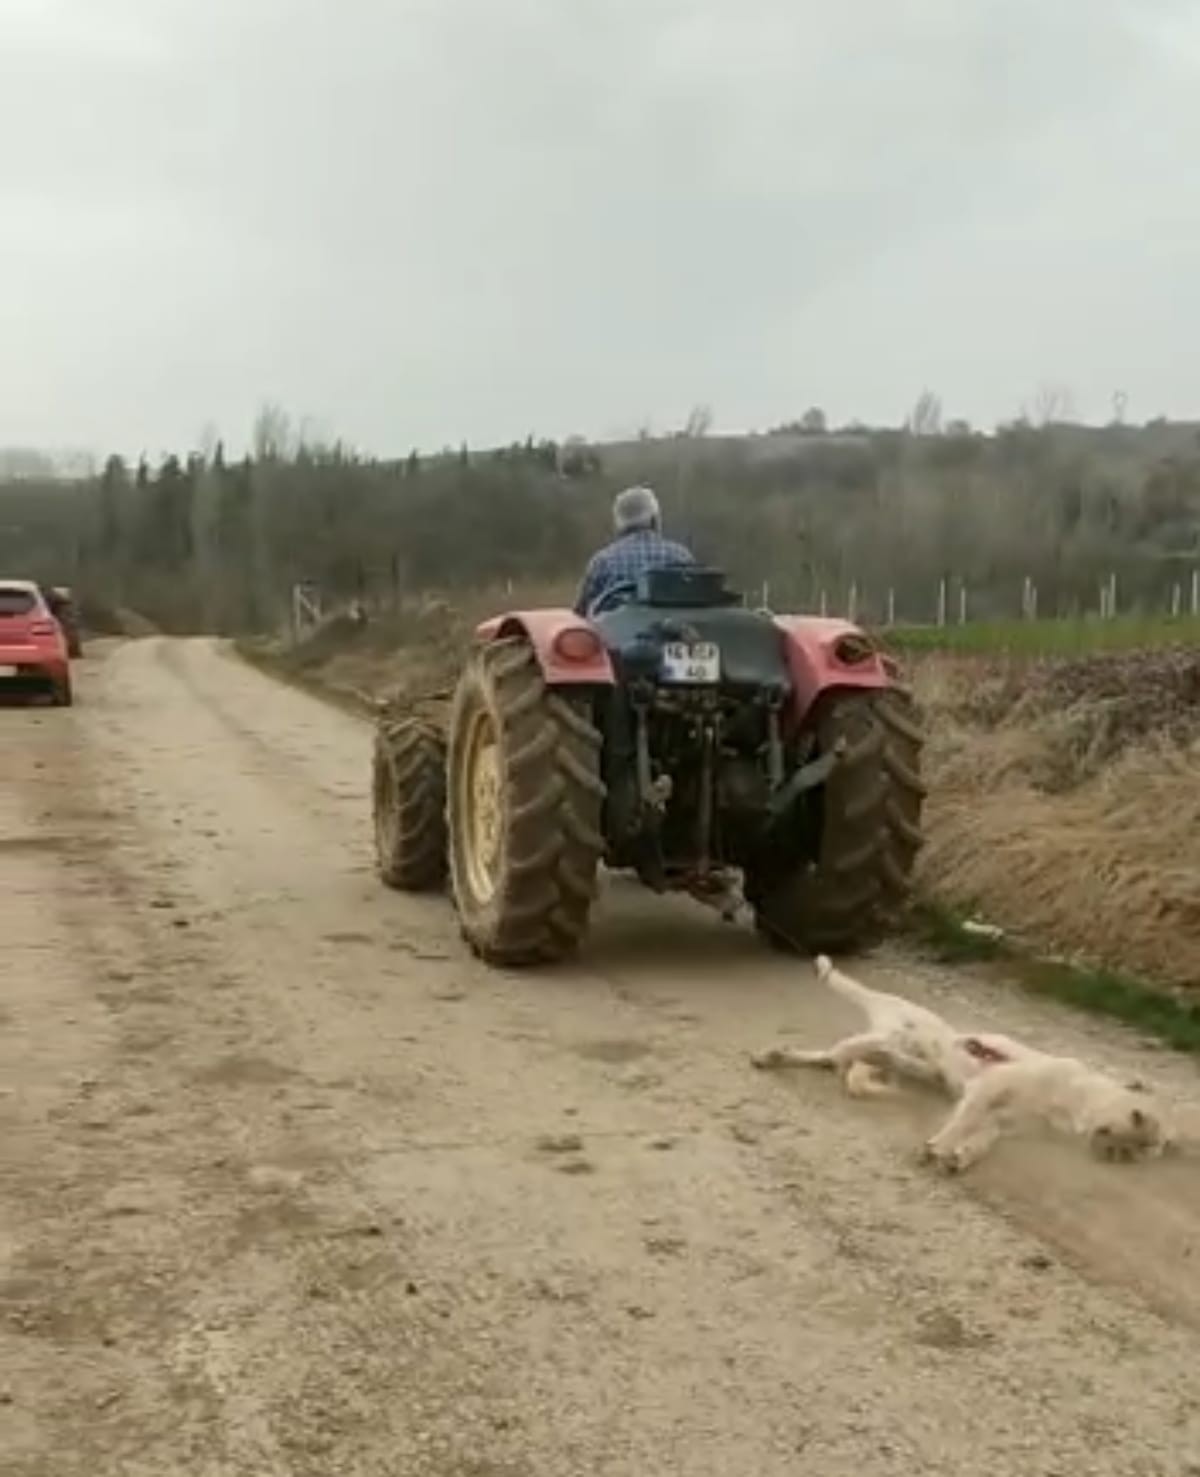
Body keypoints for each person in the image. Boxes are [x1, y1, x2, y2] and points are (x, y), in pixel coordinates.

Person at [573, 485, 695, 618]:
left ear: (619, 524)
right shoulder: (681, 556)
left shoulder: (602, 561)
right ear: (654, 520)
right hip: (673, 633)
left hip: (616, 634)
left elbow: (580, 613)